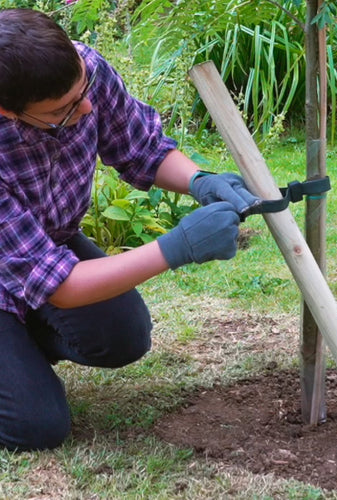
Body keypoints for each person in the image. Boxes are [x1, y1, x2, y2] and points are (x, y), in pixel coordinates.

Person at [0, 8, 259, 451]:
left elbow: (141, 148)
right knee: (35, 427)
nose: (85, 107)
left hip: (45, 248)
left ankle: (17, 351)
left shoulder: (85, 71)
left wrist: (200, 181)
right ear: (8, 111)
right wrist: (179, 246)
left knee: (122, 335)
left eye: (83, 92)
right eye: (63, 111)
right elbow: (62, 286)